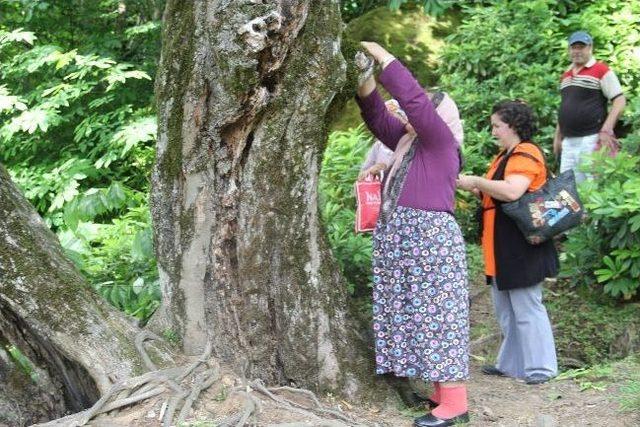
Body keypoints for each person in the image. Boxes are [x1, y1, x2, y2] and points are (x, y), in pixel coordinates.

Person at [356, 42, 469, 427]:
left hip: (429, 240)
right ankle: (440, 393)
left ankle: (455, 404)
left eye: (417, 111)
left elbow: (417, 104)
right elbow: (375, 116)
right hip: (403, 238)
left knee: (438, 315)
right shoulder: (406, 142)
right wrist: (364, 76)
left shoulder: (440, 143)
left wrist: (387, 60)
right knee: (414, 314)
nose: (404, 112)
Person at [457, 100, 559, 385]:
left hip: (520, 244)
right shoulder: (507, 154)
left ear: (513, 126)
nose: (493, 131)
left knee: (527, 306)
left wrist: (477, 180)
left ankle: (541, 369)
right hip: (503, 243)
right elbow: (497, 194)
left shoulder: (525, 153)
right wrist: (477, 188)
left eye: (497, 126)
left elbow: (513, 191)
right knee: (506, 308)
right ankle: (512, 365)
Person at [554, 30, 626, 183]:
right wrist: (557, 137)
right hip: (568, 141)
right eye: (574, 47)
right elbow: (565, 106)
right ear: (569, 49)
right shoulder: (565, 76)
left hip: (591, 138)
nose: (577, 51)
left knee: (593, 184)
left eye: (581, 47)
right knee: (568, 188)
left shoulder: (600, 70)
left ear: (590, 48)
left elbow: (619, 100)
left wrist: (607, 129)